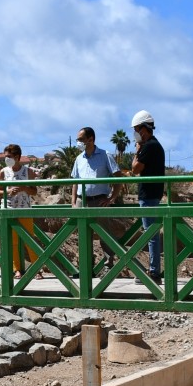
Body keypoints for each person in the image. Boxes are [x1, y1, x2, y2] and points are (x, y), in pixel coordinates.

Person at [69, 126, 127, 275]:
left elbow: (118, 176)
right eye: (78, 139)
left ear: (91, 139)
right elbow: (75, 181)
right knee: (83, 235)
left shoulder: (105, 155)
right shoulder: (78, 159)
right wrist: (73, 202)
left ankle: (108, 266)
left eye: (81, 139)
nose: (78, 142)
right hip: (83, 201)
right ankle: (86, 268)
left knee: (104, 234)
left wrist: (112, 197)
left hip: (99, 200)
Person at [0, 143, 44, 280]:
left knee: (29, 239)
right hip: (9, 209)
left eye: (9, 156)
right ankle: (16, 269)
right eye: (5, 156)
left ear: (17, 156)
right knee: (12, 241)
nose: (6, 159)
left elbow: (35, 191)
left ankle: (37, 269)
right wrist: (7, 191)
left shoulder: (28, 171)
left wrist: (24, 187)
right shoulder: (3, 172)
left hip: (24, 209)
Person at [131, 110, 165, 284]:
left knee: (150, 233)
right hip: (154, 193)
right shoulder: (156, 145)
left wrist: (137, 151)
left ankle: (154, 272)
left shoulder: (149, 146)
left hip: (148, 194)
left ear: (143, 129)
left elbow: (135, 169)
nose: (135, 133)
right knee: (151, 232)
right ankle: (154, 270)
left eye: (136, 129)